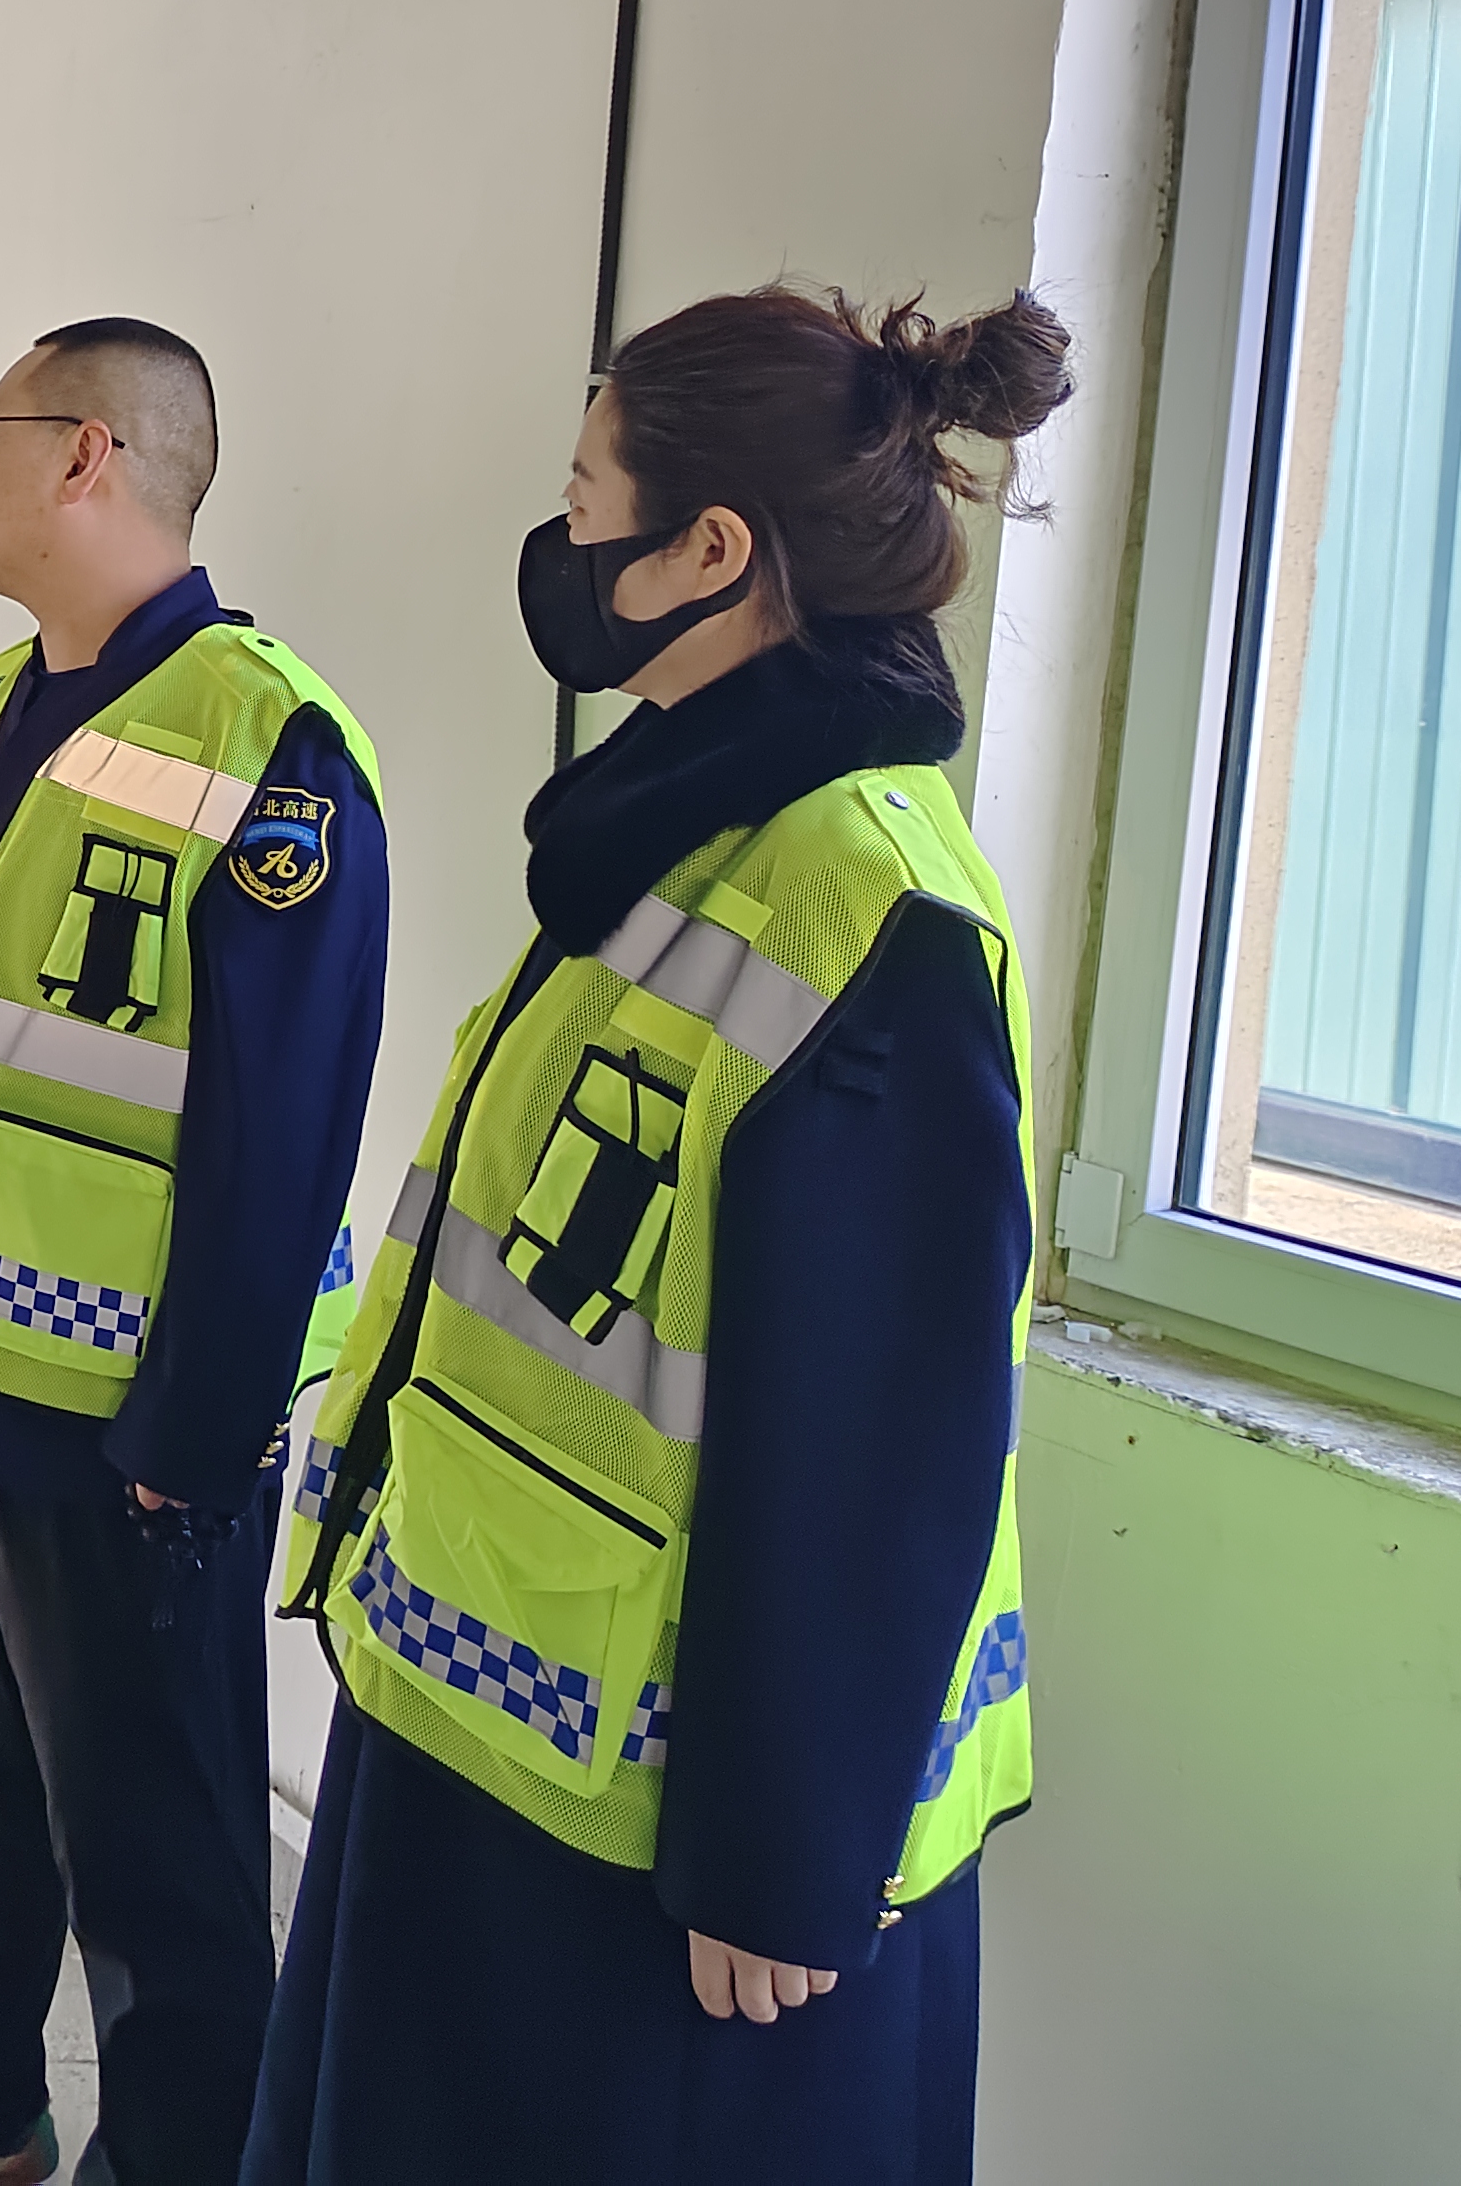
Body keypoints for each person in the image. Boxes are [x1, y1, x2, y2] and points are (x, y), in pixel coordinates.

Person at [246, 287, 1069, 2186]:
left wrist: (781, 1863)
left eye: (581, 498)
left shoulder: (872, 912)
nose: (558, 543)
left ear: (710, 551)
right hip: (489, 1703)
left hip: (665, 1836)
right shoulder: (682, 835)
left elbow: (885, 1444)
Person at [0, 320, 391, 2186]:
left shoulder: (271, 746)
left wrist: (195, 1438)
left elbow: (283, 1136)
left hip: (121, 1432)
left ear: (90, 455)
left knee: (157, 1863)